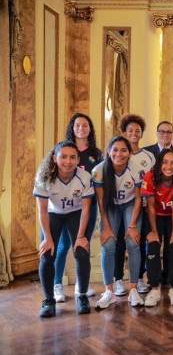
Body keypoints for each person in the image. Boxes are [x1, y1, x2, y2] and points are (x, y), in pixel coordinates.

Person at [34, 140, 94, 317]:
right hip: (53, 214)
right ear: (54, 158)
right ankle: (48, 300)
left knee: (81, 252)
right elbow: (42, 211)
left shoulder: (84, 177)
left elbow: (86, 210)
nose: (68, 161)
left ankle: (81, 296)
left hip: (76, 213)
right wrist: (48, 238)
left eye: (72, 157)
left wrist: (81, 236)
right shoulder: (43, 177)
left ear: (77, 159)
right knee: (47, 254)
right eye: (63, 157)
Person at [53, 114, 102, 303]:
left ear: (90, 129)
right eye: (78, 125)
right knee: (63, 245)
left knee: (83, 244)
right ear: (72, 128)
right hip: (64, 208)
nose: (81, 128)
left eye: (85, 125)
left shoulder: (96, 154)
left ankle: (82, 285)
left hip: (88, 205)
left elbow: (99, 181)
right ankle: (57, 284)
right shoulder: (63, 149)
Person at [93, 136, 144, 309]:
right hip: (110, 207)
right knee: (108, 245)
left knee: (133, 242)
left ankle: (134, 289)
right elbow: (101, 202)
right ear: (108, 151)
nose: (119, 154)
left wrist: (132, 226)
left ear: (129, 153)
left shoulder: (136, 169)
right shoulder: (99, 171)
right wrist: (106, 227)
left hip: (130, 205)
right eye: (115, 149)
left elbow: (138, 199)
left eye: (124, 150)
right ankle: (109, 291)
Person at [113, 114, 155, 297]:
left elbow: (152, 181)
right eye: (130, 130)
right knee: (118, 244)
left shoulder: (149, 156)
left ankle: (137, 278)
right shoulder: (117, 153)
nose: (134, 133)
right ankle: (118, 280)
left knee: (138, 243)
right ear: (124, 132)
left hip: (144, 205)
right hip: (121, 205)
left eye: (137, 131)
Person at [142, 148, 173, 307]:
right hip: (155, 215)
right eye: (165, 162)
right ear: (159, 163)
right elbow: (150, 207)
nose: (169, 166)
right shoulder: (150, 176)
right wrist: (154, 231)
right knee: (153, 244)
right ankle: (154, 287)